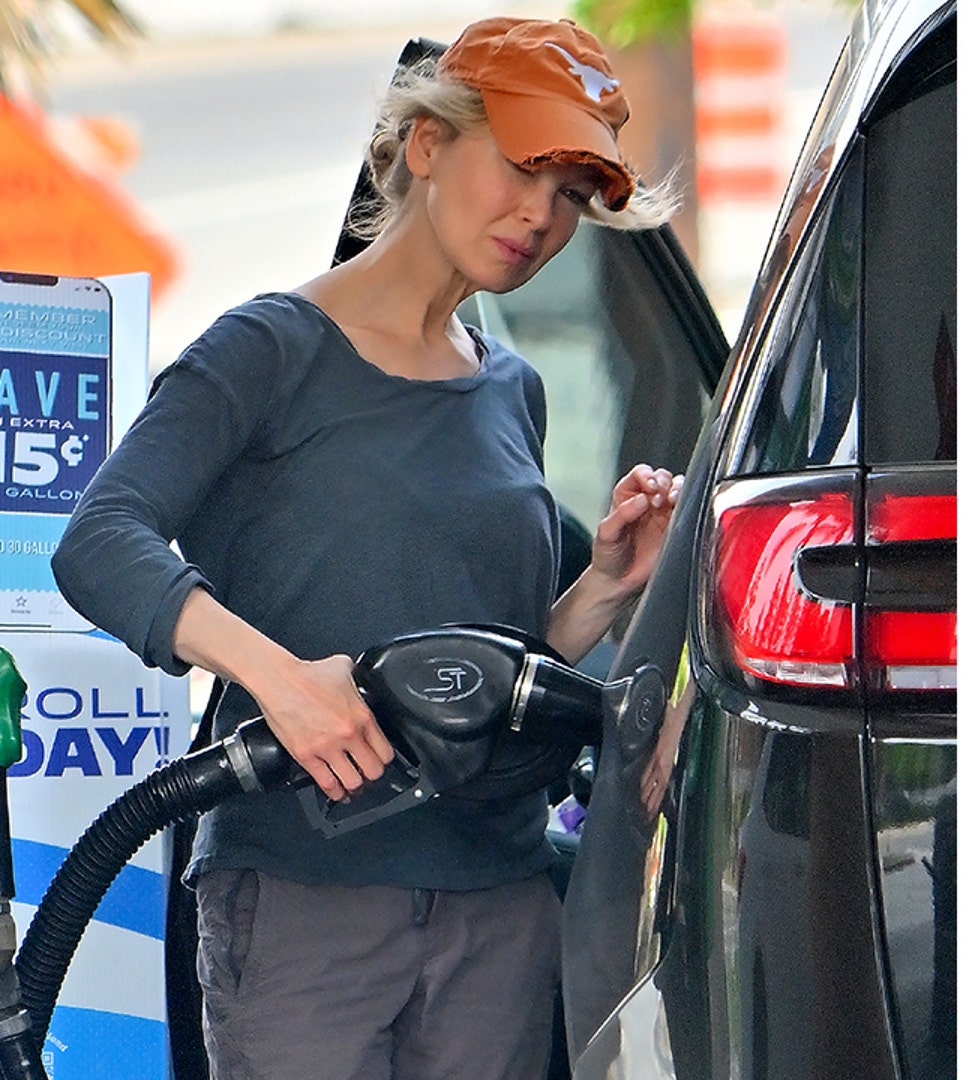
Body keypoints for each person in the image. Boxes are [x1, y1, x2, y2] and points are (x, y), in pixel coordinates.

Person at [51, 17, 681, 1079]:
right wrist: (278, 679)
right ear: (428, 146)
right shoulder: (268, 351)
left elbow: (481, 671)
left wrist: (606, 587)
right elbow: (98, 541)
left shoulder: (509, 390)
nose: (540, 215)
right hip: (307, 906)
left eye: (571, 194)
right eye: (525, 167)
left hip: (501, 901)